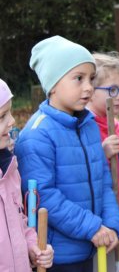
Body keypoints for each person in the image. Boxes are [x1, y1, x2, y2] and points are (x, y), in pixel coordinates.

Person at [16, 36, 119, 271]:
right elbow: (43, 196)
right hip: (59, 256)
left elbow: (104, 181)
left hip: (92, 246)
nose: (88, 87)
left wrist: (112, 225)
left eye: (91, 79)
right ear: (53, 84)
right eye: (78, 79)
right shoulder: (37, 135)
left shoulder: (89, 125)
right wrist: (92, 227)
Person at [86, 52, 119, 269]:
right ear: (90, 91)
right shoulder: (85, 129)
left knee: (118, 266)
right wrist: (101, 154)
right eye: (112, 90)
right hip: (99, 225)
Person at [0, 78, 54, 271]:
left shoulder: (10, 168)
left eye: (10, 113)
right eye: (2, 116)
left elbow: (19, 222)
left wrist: (33, 247)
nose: (12, 121)